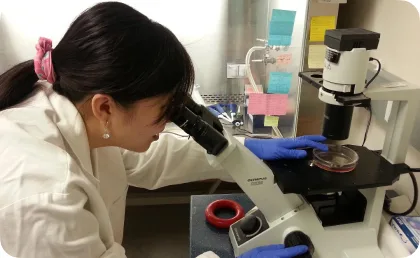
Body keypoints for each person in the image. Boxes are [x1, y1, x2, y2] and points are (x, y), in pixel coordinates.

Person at [0, 2, 327, 258]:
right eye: (164, 111)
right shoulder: (45, 200)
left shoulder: (73, 103)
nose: (170, 122)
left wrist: (237, 152)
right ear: (105, 107)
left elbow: (141, 159)